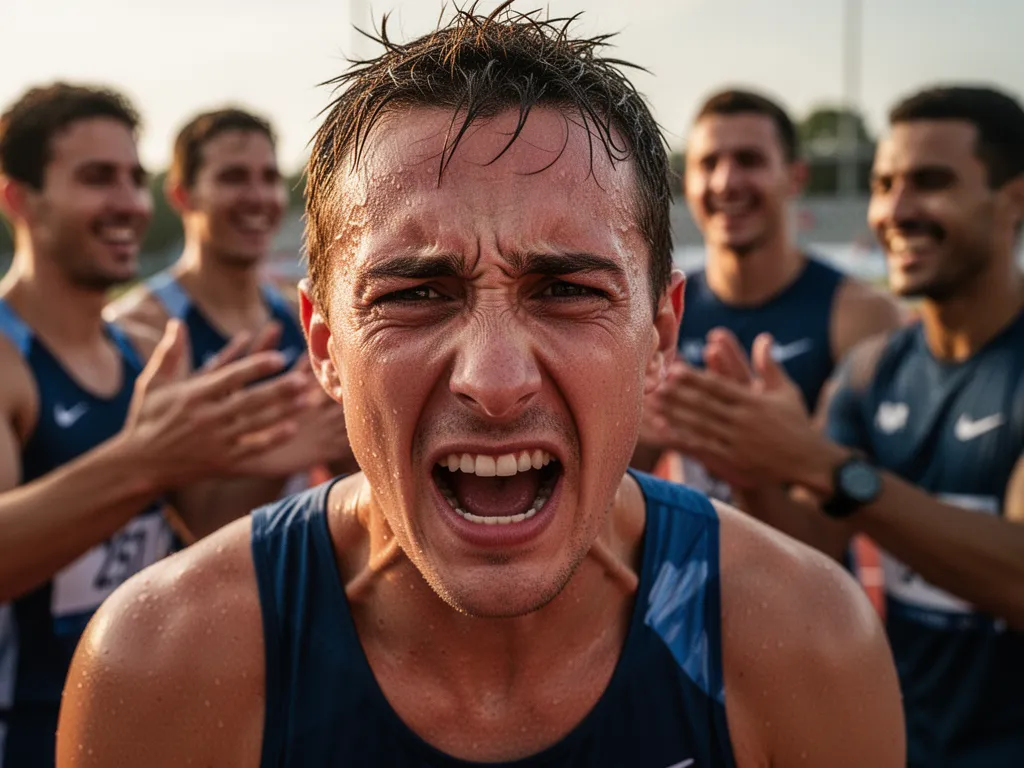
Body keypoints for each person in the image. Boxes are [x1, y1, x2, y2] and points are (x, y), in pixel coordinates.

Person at [57, 8, 905, 767]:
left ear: (662, 333)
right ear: (322, 342)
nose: (494, 383)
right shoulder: (164, 660)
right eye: (415, 295)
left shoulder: (804, 643)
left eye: (567, 290)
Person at [641, 85, 1024, 765]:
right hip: (901, 737)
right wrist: (756, 468)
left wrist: (818, 464)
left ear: (1015, 199)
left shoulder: (856, 323)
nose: (896, 211)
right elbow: (816, 538)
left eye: (930, 183)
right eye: (884, 184)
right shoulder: (874, 370)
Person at [0, 83, 309, 767]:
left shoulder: (139, 352)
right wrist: (145, 462)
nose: (129, 205)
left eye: (134, 179)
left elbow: (199, 524)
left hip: (142, 711)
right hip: (26, 731)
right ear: (18, 198)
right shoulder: (9, 358)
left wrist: (289, 447)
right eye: (96, 178)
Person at [635, 89, 904, 505]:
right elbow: (608, 496)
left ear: (795, 177)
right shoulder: (658, 311)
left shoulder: (861, 315)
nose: (726, 182)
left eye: (749, 160)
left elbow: (851, 515)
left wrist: (776, 452)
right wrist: (648, 427)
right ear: (686, 181)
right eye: (708, 164)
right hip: (680, 567)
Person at [105, 108, 356, 521]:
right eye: (233, 177)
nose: (259, 197)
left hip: (310, 569)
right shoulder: (140, 332)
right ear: (182, 195)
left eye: (270, 178)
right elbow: (196, 525)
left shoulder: (301, 315)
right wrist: (290, 444)